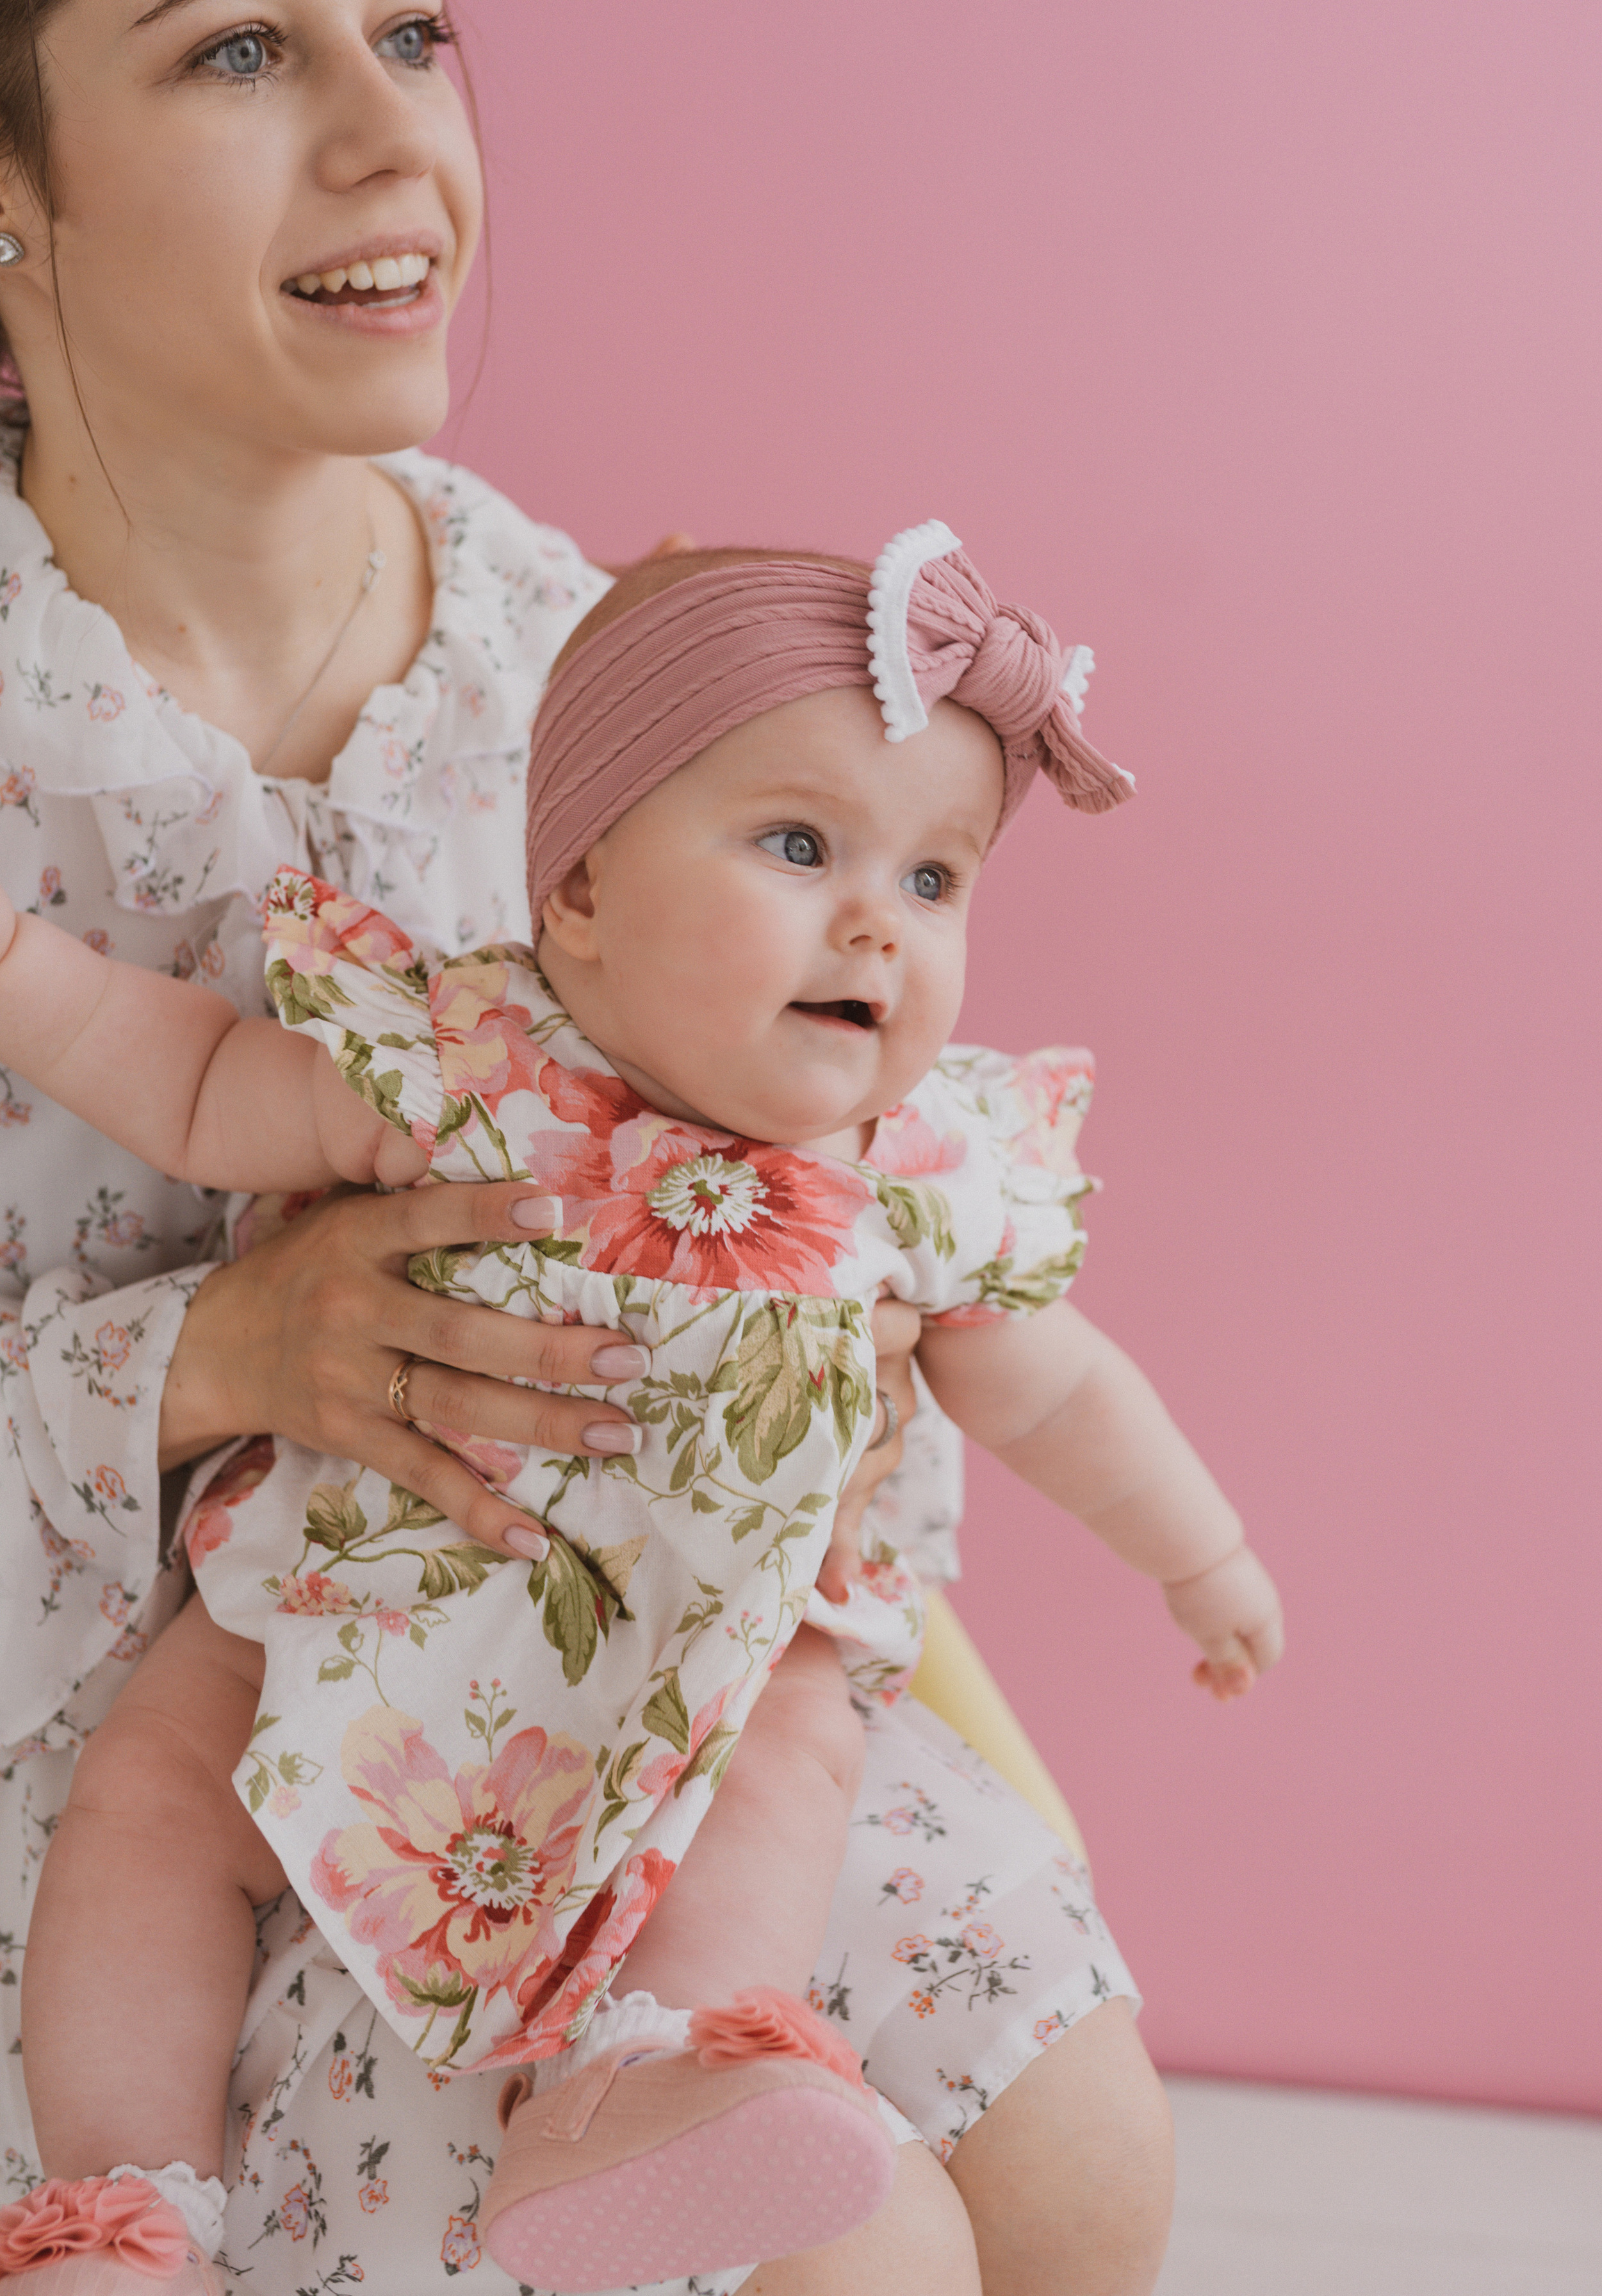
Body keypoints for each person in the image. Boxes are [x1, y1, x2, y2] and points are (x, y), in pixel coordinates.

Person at [0, 6, 1202, 2292]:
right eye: (238, 48)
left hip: (624, 1657)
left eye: (418, 30)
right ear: (8, 182)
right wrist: (217, 1357)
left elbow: (853, 1259)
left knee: (1079, 2164)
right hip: (143, 1763)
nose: (390, 134)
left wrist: (911, 1632)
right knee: (847, 2259)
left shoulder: (593, 662)